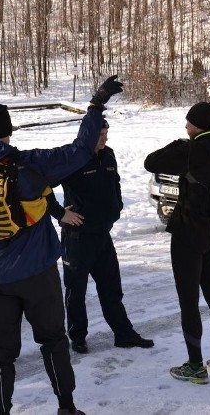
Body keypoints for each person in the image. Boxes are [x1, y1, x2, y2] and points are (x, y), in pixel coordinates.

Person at [0, 76, 123, 415]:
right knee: (53, 341)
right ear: (8, 131)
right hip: (38, 273)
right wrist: (95, 105)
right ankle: (67, 407)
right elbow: (80, 150)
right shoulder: (29, 163)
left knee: (1, 352)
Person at [143, 102, 210, 384]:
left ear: (197, 126)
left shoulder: (189, 151)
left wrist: (178, 144)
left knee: (189, 301)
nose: (185, 128)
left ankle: (195, 366)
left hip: (188, 236)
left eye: (188, 123)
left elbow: (150, 162)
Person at [59, 119, 154, 354]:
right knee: (76, 291)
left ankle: (123, 334)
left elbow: (116, 184)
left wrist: (116, 206)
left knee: (112, 288)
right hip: (78, 238)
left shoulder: (108, 155)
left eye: (106, 133)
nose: (105, 138)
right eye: (100, 134)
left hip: (102, 234)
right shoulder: (73, 157)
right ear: (88, 134)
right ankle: (78, 336)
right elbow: (41, 184)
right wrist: (59, 213)